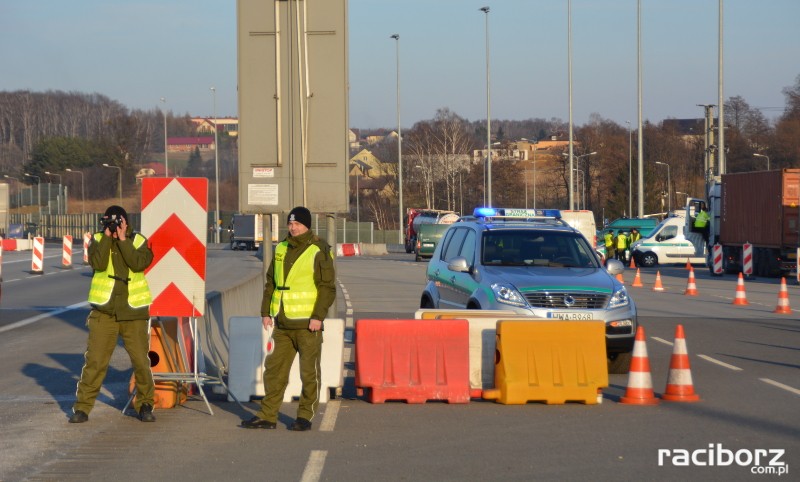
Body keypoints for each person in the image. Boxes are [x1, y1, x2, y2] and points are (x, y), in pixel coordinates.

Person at [241, 206, 336, 431]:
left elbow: (327, 288)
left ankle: (304, 416)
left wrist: (318, 317)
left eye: (297, 224)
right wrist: (266, 312)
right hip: (282, 323)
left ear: (307, 226)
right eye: (290, 224)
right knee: (274, 370)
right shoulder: (281, 248)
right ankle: (267, 415)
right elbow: (271, 283)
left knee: (308, 372)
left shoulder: (318, 250)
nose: (293, 228)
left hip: (307, 325)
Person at [70, 206, 156, 423]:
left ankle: (145, 404)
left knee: (140, 362)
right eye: (109, 223)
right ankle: (82, 408)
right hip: (104, 312)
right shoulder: (98, 240)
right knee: (95, 362)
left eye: (117, 222)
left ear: (125, 222)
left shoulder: (138, 241)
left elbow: (138, 263)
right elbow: (97, 264)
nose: (113, 226)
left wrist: (123, 238)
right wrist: (108, 237)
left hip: (133, 312)